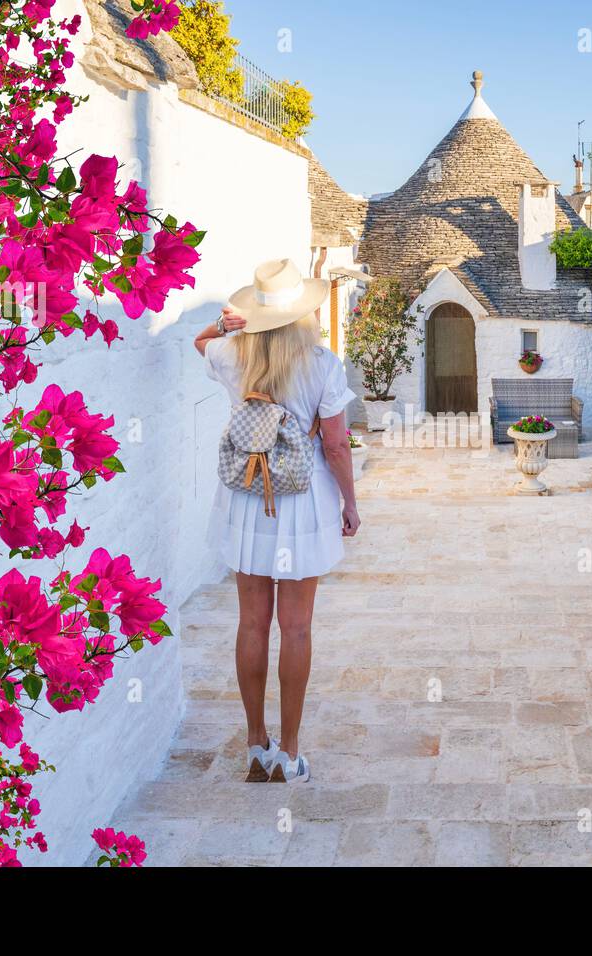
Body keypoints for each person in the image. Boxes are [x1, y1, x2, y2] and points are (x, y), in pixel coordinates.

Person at [193, 259, 361, 783]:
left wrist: (223, 326)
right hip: (302, 499)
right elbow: (334, 444)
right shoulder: (323, 364)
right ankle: (290, 753)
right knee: (297, 627)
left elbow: (201, 344)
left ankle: (255, 744)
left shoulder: (231, 355)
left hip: (249, 498)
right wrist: (350, 503)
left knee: (250, 623)